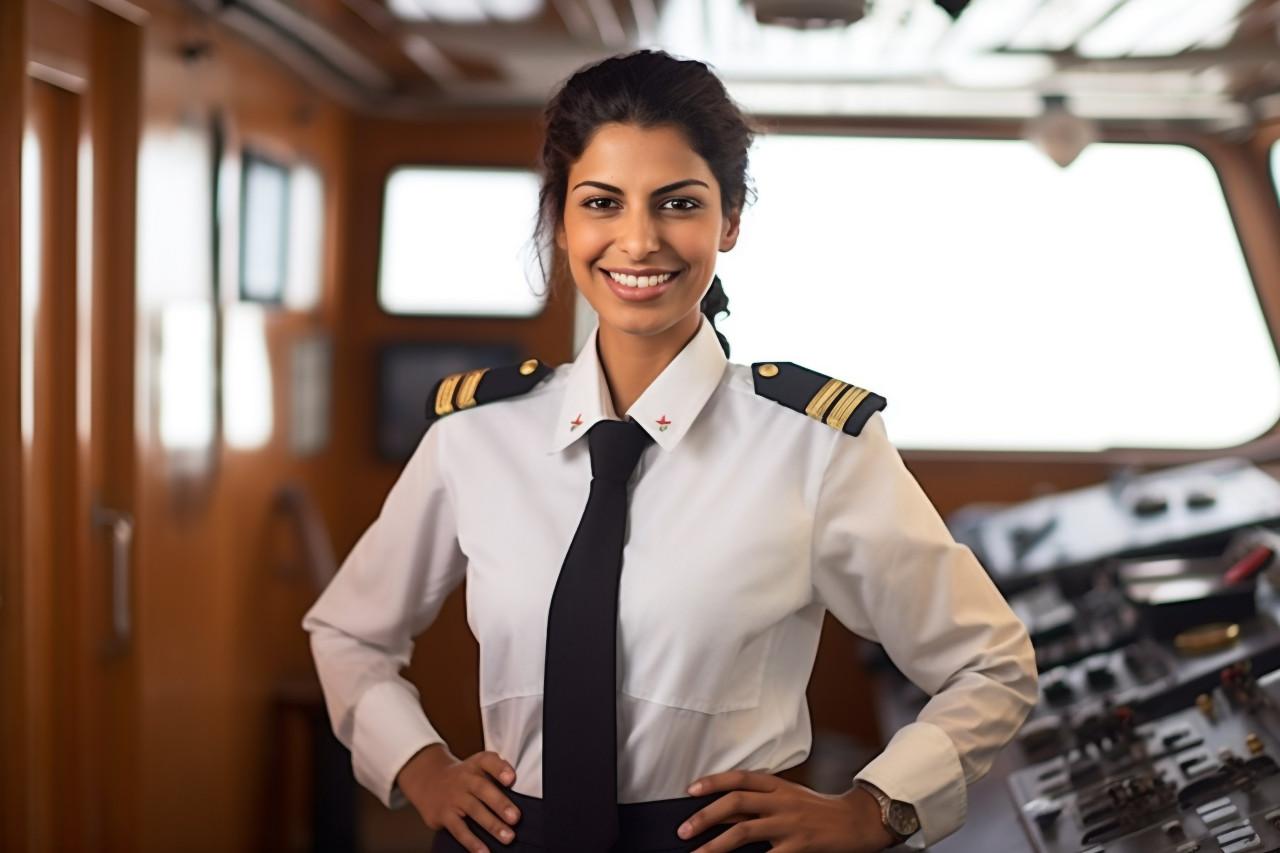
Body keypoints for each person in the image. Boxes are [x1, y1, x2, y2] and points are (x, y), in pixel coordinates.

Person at [304, 49, 1037, 853]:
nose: (639, 239)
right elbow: (349, 632)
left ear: (728, 220)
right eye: (602, 203)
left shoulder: (817, 447)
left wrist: (877, 806)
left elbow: (991, 663)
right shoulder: (475, 434)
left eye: (677, 203)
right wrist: (418, 765)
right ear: (563, 220)